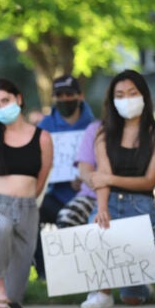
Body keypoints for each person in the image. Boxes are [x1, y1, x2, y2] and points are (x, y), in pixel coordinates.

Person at [84, 70, 155, 308]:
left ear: (144, 95)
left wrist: (109, 178)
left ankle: (141, 285)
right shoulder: (103, 134)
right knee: (96, 231)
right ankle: (102, 290)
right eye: (120, 94)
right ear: (112, 100)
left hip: (141, 204)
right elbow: (101, 180)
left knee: (133, 298)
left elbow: (148, 181)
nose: (126, 99)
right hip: (108, 200)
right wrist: (101, 208)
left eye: (132, 93)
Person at [0, 78, 53, 308]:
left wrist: (24, 200)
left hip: (27, 209)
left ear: (18, 98)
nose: (2, 107)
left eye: (5, 100)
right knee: (1, 227)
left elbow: (41, 177)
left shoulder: (43, 138)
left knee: (15, 297)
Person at [35, 75, 95, 277]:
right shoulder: (44, 126)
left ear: (80, 95)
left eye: (69, 94)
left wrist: (86, 178)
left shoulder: (94, 126)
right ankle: (45, 275)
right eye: (58, 95)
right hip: (54, 195)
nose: (64, 99)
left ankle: (83, 272)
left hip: (86, 196)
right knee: (31, 212)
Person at [54, 120, 101, 229]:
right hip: (92, 195)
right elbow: (85, 172)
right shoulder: (97, 129)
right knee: (67, 218)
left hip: (131, 196)